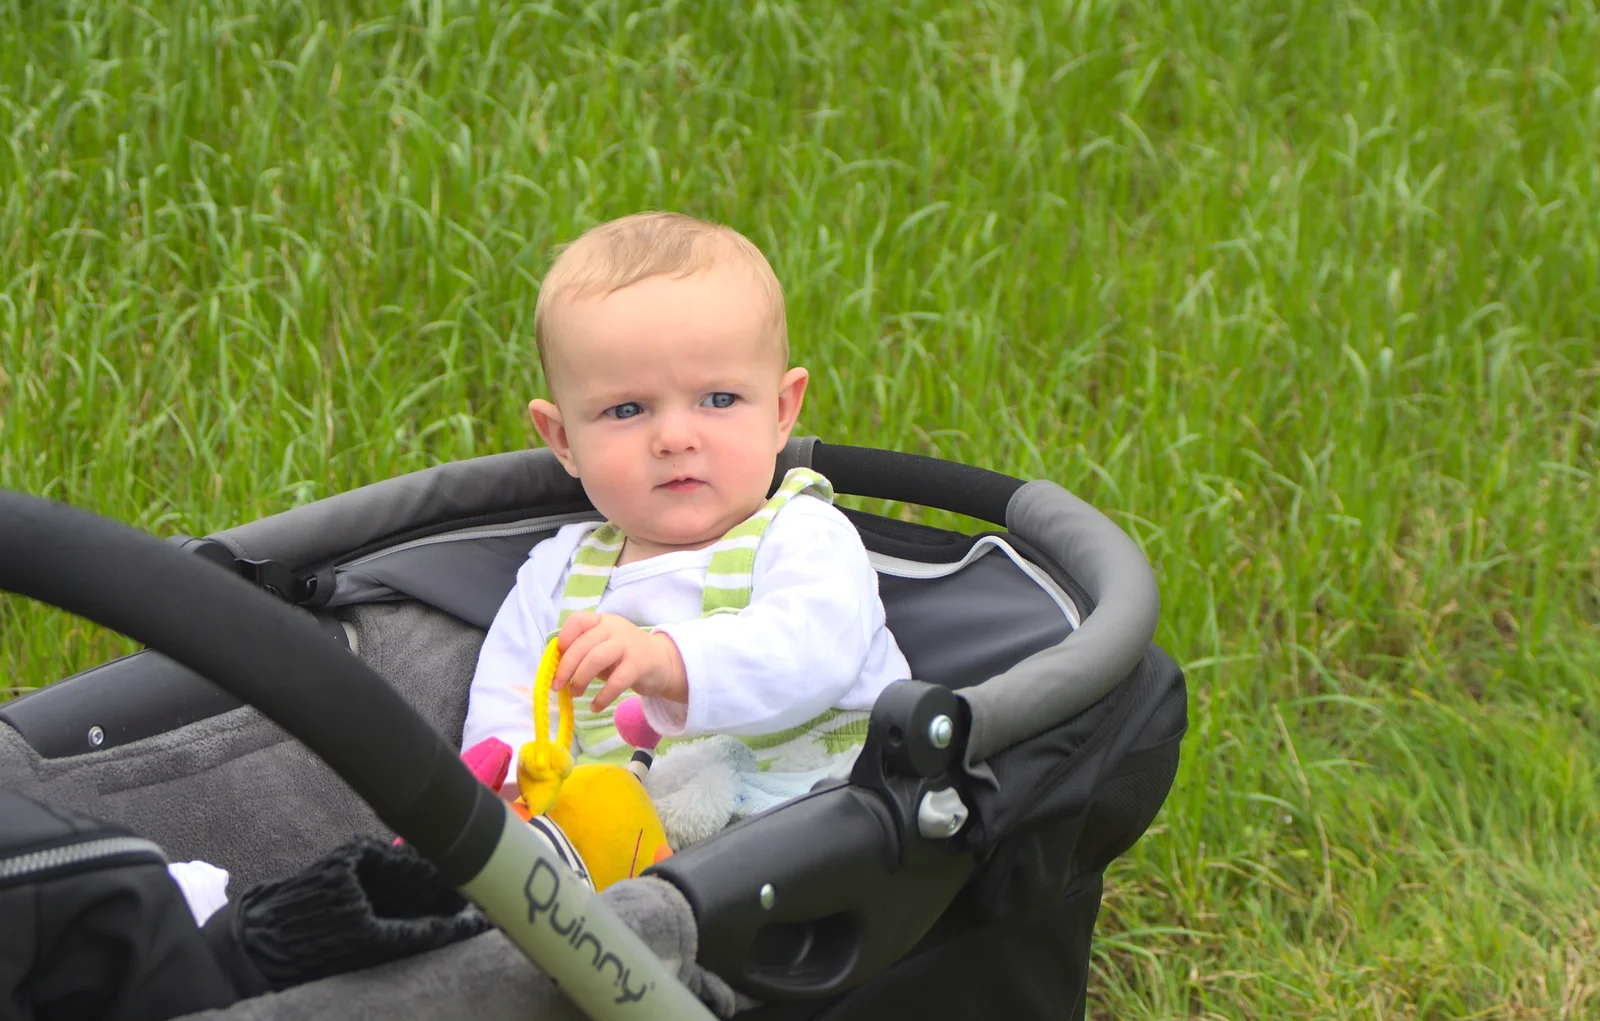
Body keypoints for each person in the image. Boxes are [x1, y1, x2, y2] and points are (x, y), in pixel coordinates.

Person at [462, 212, 911, 793]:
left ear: (780, 411)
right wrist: (515, 782)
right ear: (563, 439)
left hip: (821, 819)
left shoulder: (802, 533)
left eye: (718, 399)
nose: (675, 438)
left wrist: (670, 663)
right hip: (633, 851)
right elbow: (512, 699)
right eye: (627, 410)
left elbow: (811, 654)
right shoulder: (557, 577)